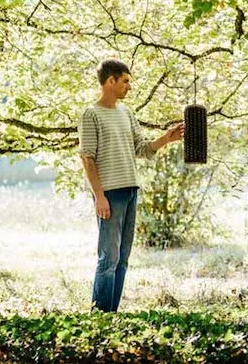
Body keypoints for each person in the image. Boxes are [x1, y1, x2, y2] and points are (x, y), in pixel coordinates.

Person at [78, 59, 184, 312]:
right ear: (110, 81)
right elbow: (87, 158)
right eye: (125, 81)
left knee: (122, 259)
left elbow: (142, 149)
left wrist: (165, 139)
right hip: (109, 194)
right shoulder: (90, 114)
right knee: (108, 258)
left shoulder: (126, 113)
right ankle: (99, 317)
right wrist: (99, 196)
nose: (129, 86)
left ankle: (112, 315)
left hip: (130, 190)